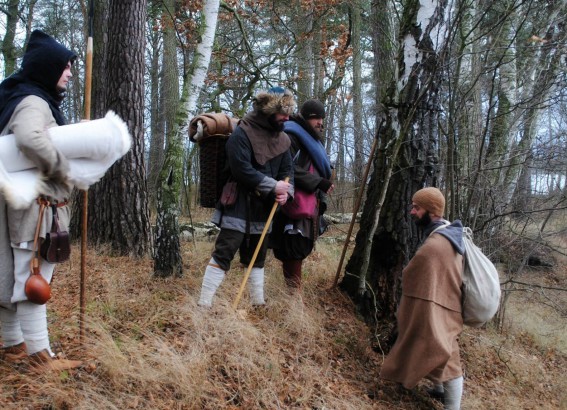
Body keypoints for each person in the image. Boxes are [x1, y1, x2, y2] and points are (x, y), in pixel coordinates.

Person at [0, 30, 82, 371]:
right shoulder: (33, 101)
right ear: (47, 67)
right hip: (36, 211)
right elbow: (30, 138)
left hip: (27, 208)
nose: (70, 73)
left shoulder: (23, 95)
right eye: (65, 66)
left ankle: (14, 346)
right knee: (33, 282)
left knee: (15, 278)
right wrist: (66, 169)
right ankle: (40, 357)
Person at [197, 87, 295, 307]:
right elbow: (241, 169)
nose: (287, 118)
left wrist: (286, 193)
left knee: (257, 257)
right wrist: (274, 186)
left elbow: (288, 172)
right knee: (224, 252)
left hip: (265, 207)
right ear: (269, 111)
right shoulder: (242, 133)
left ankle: (257, 304)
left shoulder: (284, 140)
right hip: (238, 203)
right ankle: (203, 305)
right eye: (283, 113)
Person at [380, 187, 465, 410]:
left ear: (432, 211)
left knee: (447, 357)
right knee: (432, 348)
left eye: (417, 208)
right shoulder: (446, 233)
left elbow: (413, 272)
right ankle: (438, 389)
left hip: (441, 306)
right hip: (443, 303)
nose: (412, 212)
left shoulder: (437, 244)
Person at [270, 99, 334, 290]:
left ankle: (292, 296)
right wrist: (317, 182)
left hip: (309, 201)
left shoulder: (311, 139)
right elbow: (286, 167)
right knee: (293, 247)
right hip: (292, 202)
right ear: (305, 118)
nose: (320, 122)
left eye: (322, 118)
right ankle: (293, 298)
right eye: (316, 118)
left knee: (300, 246)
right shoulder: (291, 135)